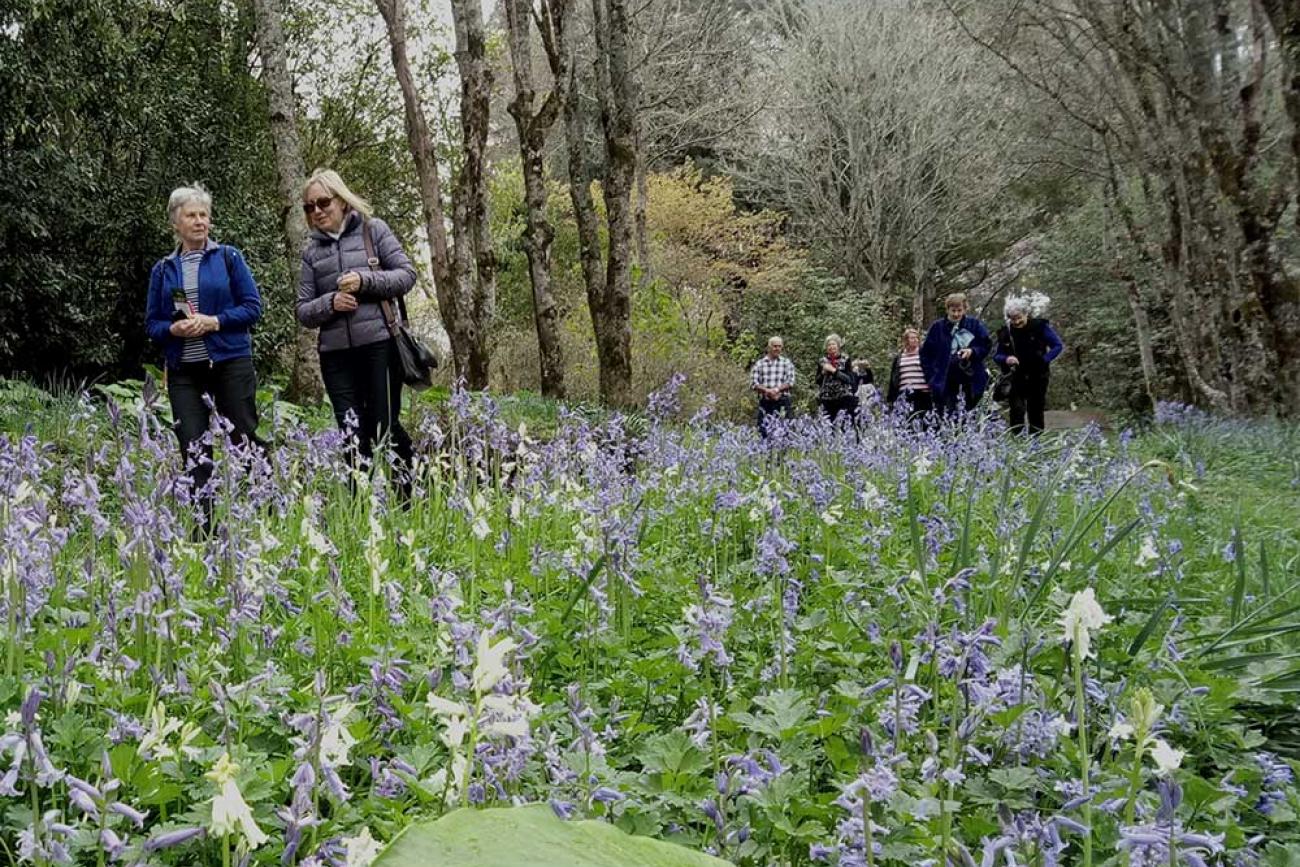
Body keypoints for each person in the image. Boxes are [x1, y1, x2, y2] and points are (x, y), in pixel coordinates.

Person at [144, 184, 264, 531]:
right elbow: (153, 324)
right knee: (193, 447)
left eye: (203, 215)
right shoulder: (163, 270)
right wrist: (173, 330)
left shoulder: (228, 257)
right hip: (184, 370)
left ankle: (265, 513)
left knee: (244, 438)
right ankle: (203, 530)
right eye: (190, 216)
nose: (199, 221)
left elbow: (253, 308)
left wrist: (214, 322)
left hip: (231, 363)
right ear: (175, 223)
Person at [296, 169, 417, 478]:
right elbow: (304, 311)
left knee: (383, 426)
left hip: (379, 346)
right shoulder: (311, 253)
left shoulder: (372, 231)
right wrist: (331, 303)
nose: (317, 211)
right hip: (335, 355)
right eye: (309, 207)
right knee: (350, 433)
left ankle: (411, 496)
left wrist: (365, 281)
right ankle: (358, 510)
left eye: (323, 202)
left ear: (342, 200)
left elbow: (406, 275)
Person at [994, 296, 1064, 435]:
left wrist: (1044, 359)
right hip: (1016, 375)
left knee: (1036, 410)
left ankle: (1036, 443)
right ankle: (1016, 441)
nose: (1017, 321)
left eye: (1019, 317)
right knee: (1017, 410)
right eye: (1013, 319)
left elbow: (1057, 346)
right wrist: (1007, 358)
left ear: (1026, 313)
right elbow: (997, 355)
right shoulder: (1006, 332)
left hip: (1038, 374)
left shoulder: (1040, 327)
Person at [920, 293, 992, 416]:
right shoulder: (937, 327)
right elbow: (925, 355)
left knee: (972, 417)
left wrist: (972, 351)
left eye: (960, 310)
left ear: (965, 309)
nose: (956, 314)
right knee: (947, 417)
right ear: (947, 309)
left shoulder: (974, 325)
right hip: (944, 381)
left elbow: (986, 345)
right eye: (953, 310)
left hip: (971, 380)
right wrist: (931, 378)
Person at [751, 335, 795, 435]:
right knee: (764, 431)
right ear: (769, 347)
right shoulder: (760, 364)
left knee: (785, 431)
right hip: (766, 402)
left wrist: (777, 390)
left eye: (779, 346)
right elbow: (754, 383)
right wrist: (767, 391)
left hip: (783, 401)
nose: (777, 348)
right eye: (775, 346)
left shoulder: (786, 363)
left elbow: (790, 382)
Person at [885, 327, 932, 418]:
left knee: (923, 421)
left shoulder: (924, 354)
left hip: (923, 393)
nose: (915, 340)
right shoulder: (899, 357)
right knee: (907, 420)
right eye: (912, 338)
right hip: (905, 394)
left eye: (917, 338)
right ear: (906, 340)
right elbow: (894, 377)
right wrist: (891, 397)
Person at [815, 334, 858, 421]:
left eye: (833, 344)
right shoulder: (822, 361)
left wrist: (834, 371)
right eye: (829, 345)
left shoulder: (845, 359)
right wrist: (823, 373)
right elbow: (817, 380)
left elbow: (849, 379)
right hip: (827, 399)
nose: (831, 347)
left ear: (838, 346)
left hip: (844, 397)